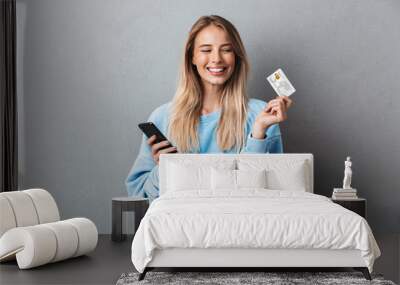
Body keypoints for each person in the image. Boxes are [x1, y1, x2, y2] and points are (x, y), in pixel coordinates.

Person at [126, 15, 293, 201]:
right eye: (206, 50)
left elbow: (271, 193)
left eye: (226, 50)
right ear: (192, 57)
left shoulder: (261, 115)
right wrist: (164, 169)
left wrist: (258, 134)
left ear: (236, 57)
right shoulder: (162, 117)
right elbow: (138, 195)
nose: (216, 59)